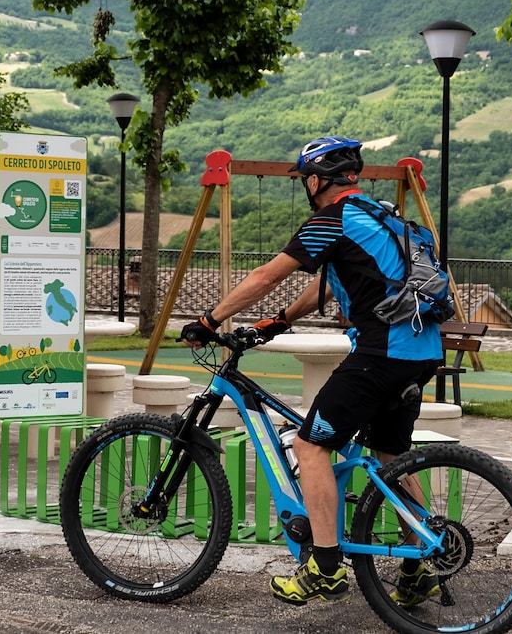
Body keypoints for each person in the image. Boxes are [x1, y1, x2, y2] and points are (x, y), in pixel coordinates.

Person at [180, 136, 444, 607]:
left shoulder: (332, 218)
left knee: (310, 443)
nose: (306, 185)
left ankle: (323, 567)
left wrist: (209, 320)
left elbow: (267, 275)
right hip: (421, 350)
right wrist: (279, 321)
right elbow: (329, 284)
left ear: (317, 179)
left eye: (306, 178)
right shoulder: (377, 215)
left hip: (382, 352)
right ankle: (417, 569)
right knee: (391, 455)